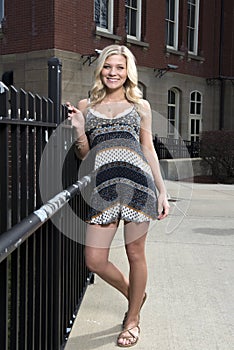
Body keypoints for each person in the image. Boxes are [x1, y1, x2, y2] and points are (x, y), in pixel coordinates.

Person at [67, 44, 170, 348]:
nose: (114, 72)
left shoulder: (140, 106)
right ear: (100, 69)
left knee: (135, 254)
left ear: (128, 72)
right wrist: (78, 130)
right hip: (104, 188)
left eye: (120, 67)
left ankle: (132, 319)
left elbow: (148, 149)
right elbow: (85, 154)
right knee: (95, 259)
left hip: (139, 186)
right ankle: (135, 295)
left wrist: (162, 192)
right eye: (108, 67)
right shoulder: (87, 105)